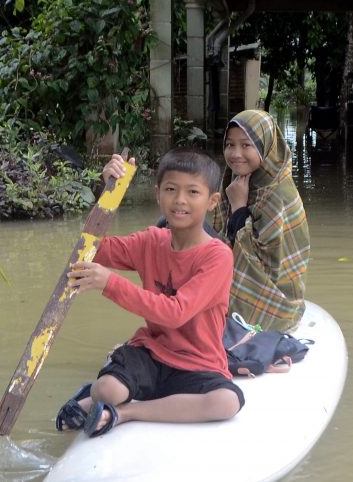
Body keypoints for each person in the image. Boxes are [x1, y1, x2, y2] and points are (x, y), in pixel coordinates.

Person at [55, 149, 244, 437]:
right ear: (158, 195)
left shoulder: (217, 256)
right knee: (107, 389)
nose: (180, 200)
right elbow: (92, 248)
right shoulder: (151, 241)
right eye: (171, 190)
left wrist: (110, 283)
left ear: (212, 201)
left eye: (193, 192)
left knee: (227, 402)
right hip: (152, 352)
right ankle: (95, 397)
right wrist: (108, 195)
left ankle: (126, 413)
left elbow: (175, 313)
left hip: (198, 361)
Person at [213, 109, 310, 332]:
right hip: (251, 282)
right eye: (230, 144)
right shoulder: (238, 181)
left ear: (266, 146)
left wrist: (239, 208)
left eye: (246, 145)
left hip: (275, 301)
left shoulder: (277, 194)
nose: (236, 153)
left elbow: (264, 264)